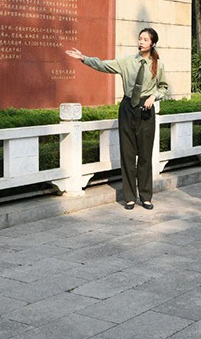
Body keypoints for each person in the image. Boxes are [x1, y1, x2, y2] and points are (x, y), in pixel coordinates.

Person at [66, 28, 169, 210]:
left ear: (152, 43)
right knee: (127, 154)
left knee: (145, 156)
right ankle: (129, 197)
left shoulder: (157, 65)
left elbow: (163, 87)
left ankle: (145, 196)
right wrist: (84, 58)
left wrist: (154, 96)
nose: (141, 41)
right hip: (128, 109)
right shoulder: (127, 62)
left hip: (146, 110)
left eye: (145, 39)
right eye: (140, 38)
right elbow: (104, 65)